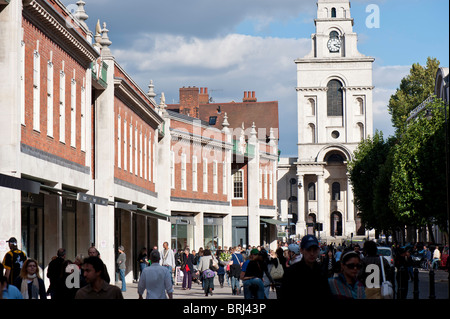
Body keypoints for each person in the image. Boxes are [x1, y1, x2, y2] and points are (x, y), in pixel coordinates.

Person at [280, 235, 331, 299]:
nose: (312, 253)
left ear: (318, 250)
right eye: (308, 250)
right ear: (301, 250)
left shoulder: (321, 272)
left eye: (314, 250)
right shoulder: (291, 272)